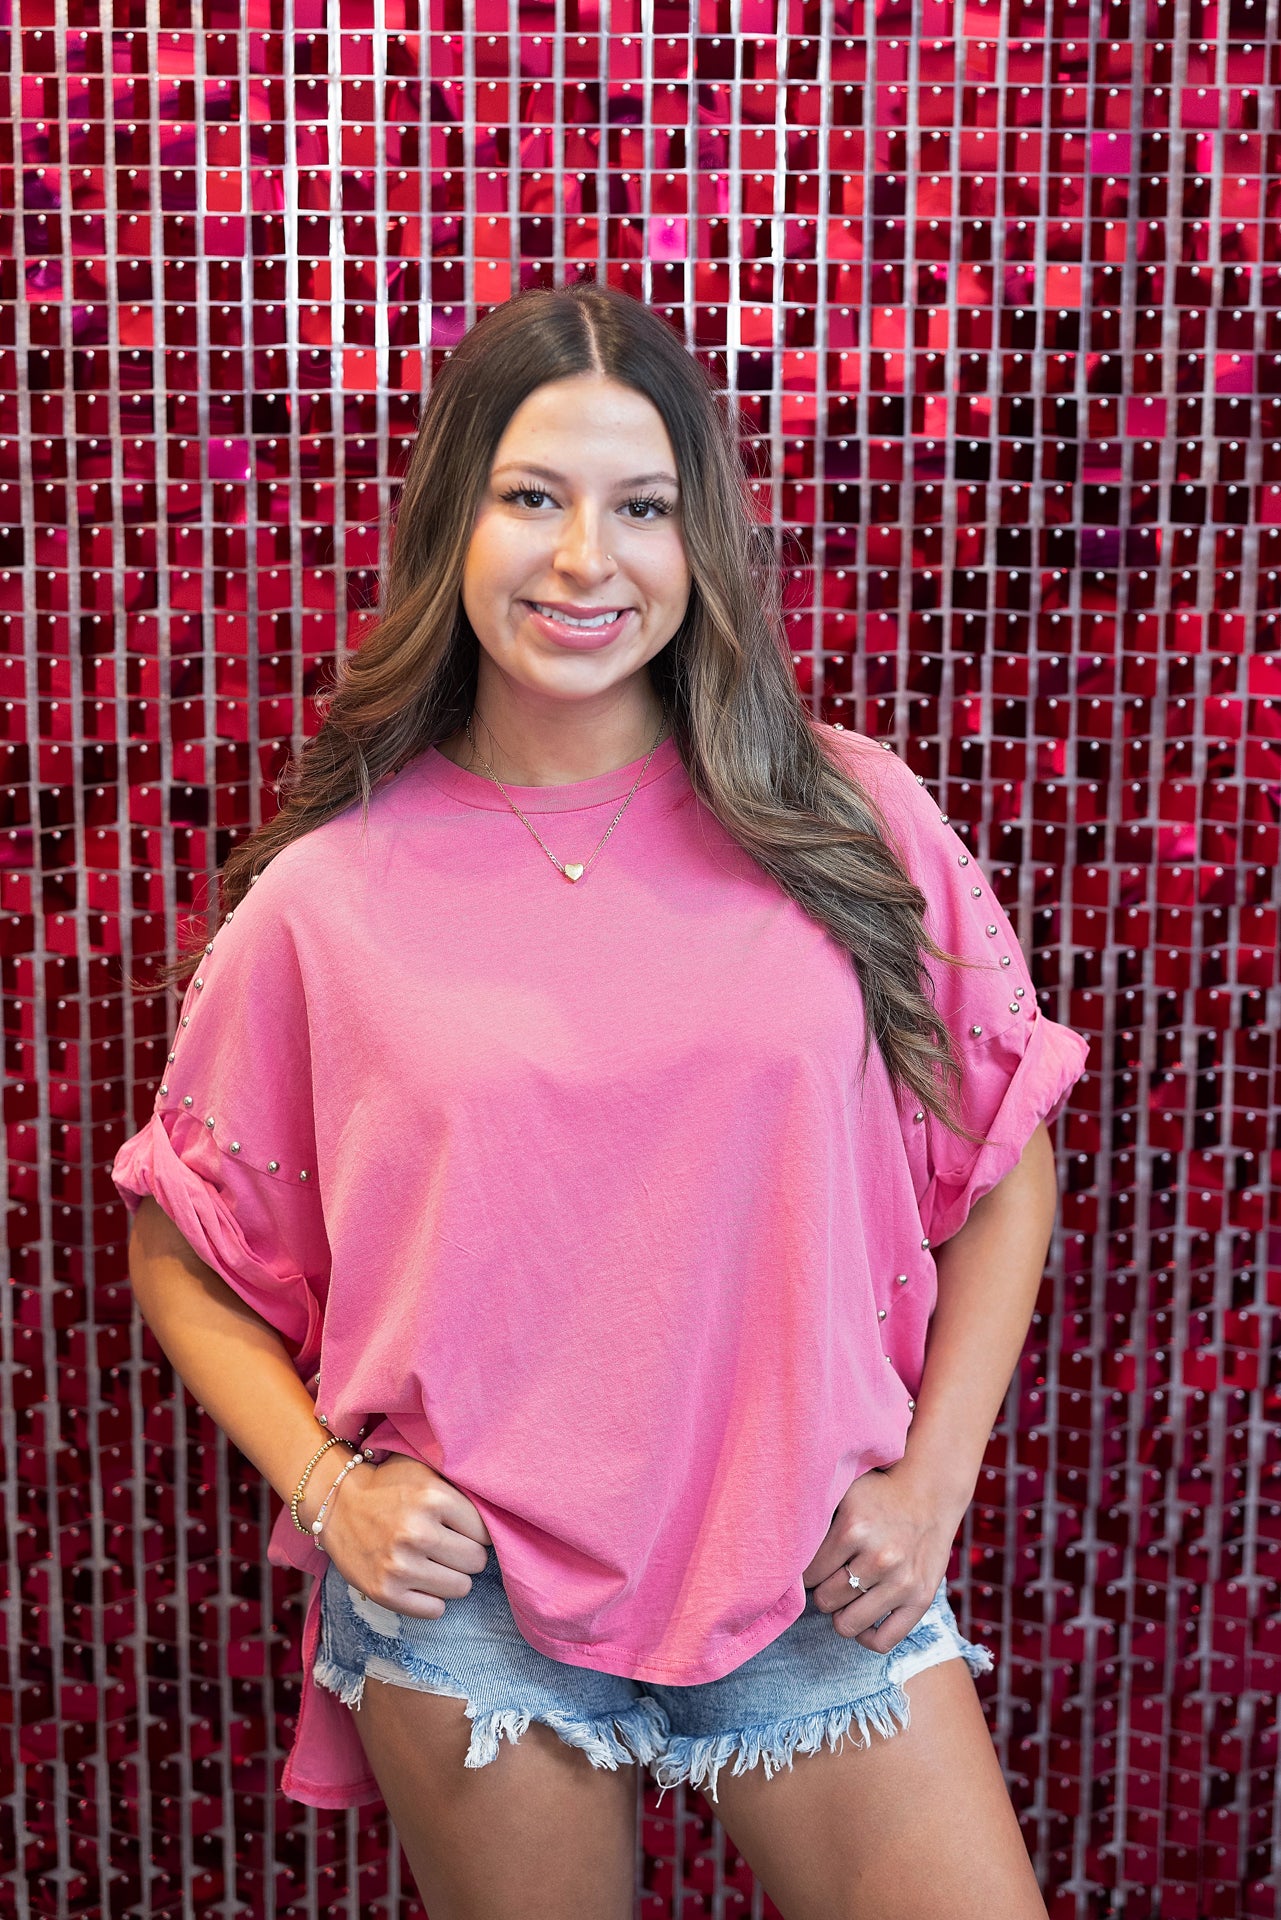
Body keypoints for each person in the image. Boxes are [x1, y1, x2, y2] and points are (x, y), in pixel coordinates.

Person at [114, 280, 1089, 1920]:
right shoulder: (323, 900)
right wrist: (329, 1488)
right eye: (531, 499)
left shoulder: (847, 818)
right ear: (451, 525)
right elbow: (184, 1248)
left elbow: (1006, 1162)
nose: (586, 562)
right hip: (469, 1601)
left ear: (698, 535)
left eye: (640, 506)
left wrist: (931, 1487)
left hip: (811, 1575)